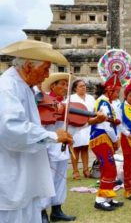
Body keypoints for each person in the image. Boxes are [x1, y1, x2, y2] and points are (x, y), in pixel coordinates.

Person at [0, 40, 73, 223]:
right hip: (13, 171)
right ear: (29, 66)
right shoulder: (7, 87)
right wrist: (52, 136)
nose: (47, 75)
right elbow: (11, 128)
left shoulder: (24, 87)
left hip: (25, 173)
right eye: (45, 69)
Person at [40, 73, 78, 222]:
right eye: (61, 84)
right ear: (52, 86)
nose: (64, 87)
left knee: (61, 179)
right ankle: (42, 212)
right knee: (46, 180)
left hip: (63, 148)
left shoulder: (67, 105)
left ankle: (57, 210)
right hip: (49, 147)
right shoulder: (43, 102)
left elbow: (74, 124)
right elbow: (41, 125)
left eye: (65, 84)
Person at [90, 72, 124, 211]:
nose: (118, 94)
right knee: (109, 167)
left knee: (109, 168)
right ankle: (100, 200)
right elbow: (107, 125)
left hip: (103, 140)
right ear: (109, 90)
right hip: (101, 139)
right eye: (116, 91)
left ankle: (108, 198)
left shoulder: (105, 102)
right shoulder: (103, 103)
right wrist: (116, 141)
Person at [70, 79, 97, 179]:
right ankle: (75, 171)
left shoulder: (90, 98)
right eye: (81, 86)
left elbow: (94, 110)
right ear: (75, 88)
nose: (83, 87)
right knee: (76, 148)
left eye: (84, 85)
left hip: (88, 125)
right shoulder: (71, 98)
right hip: (76, 125)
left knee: (85, 148)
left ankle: (86, 170)